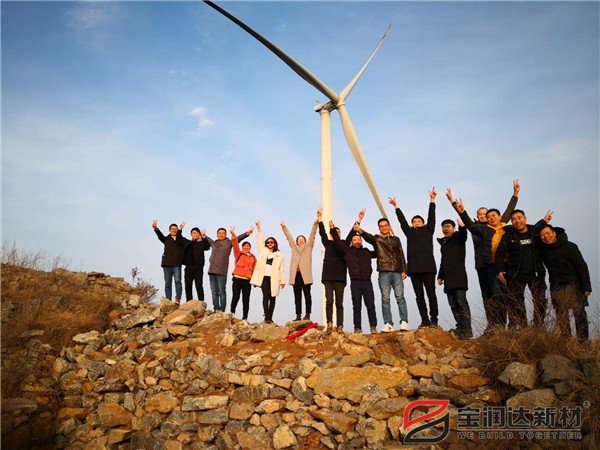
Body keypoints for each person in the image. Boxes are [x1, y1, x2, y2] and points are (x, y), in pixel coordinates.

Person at [451, 181, 519, 332]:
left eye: (485, 214)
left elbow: (509, 210)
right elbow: (467, 220)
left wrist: (515, 195)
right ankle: (492, 324)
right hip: (482, 265)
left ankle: (507, 324)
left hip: (499, 264)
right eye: (480, 214)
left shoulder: (499, 225)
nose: (483, 216)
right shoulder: (477, 229)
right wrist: (453, 203)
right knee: (487, 295)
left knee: (503, 294)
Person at [389, 188, 438, 329]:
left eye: (419, 221)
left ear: (423, 223)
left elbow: (432, 217)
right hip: (414, 270)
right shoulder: (409, 233)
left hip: (428, 268)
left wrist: (432, 200)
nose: (416, 223)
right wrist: (396, 207)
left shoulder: (428, 230)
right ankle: (425, 320)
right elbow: (402, 222)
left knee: (431, 295)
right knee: (419, 296)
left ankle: (434, 320)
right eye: (414, 222)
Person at [495, 210, 550, 329]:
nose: (517, 221)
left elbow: (542, 230)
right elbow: (499, 254)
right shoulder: (507, 236)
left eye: (519, 218)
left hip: (536, 274)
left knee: (540, 301)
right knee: (516, 303)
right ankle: (523, 328)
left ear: (525, 218)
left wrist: (545, 220)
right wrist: (499, 270)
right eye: (514, 219)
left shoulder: (534, 232)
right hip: (516, 275)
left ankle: (538, 327)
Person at [536, 224, 591, 340]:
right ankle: (566, 341)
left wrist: (587, 287)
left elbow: (581, 266)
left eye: (548, 233)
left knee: (579, 314)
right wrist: (543, 221)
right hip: (556, 286)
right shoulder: (543, 250)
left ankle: (583, 343)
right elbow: (532, 233)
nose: (546, 236)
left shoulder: (569, 247)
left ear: (554, 233)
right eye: (542, 235)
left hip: (574, 285)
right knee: (561, 315)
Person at [357, 211, 409, 332]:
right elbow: (368, 236)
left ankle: (404, 321)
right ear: (379, 228)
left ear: (389, 226)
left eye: (386, 225)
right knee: (385, 299)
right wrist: (360, 230)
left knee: (400, 297)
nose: (384, 228)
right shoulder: (377, 239)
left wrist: (404, 270)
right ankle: (388, 323)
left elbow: (401, 254)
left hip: (397, 271)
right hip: (384, 271)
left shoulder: (396, 239)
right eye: (381, 226)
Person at [331, 220, 378, 334]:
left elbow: (378, 250)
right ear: (351, 242)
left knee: (371, 305)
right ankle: (357, 328)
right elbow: (338, 242)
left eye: (359, 240)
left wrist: (364, 234)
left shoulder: (367, 252)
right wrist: (332, 230)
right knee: (356, 306)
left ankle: (373, 326)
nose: (357, 242)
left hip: (367, 282)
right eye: (355, 240)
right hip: (355, 282)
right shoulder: (348, 251)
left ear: (361, 241)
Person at [437, 218, 472, 339]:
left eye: (448, 226)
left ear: (453, 228)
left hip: (459, 277)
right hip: (448, 279)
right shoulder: (444, 244)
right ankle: (460, 327)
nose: (445, 229)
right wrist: (440, 276)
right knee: (453, 305)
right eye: (443, 227)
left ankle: (467, 329)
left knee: (462, 303)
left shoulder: (458, 238)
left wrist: (462, 227)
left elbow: (463, 235)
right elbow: (443, 261)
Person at [206, 226, 253, 312]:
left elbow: (237, 239)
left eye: (223, 233)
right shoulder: (214, 243)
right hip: (212, 271)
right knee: (214, 292)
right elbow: (208, 239)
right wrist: (203, 235)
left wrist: (247, 233)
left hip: (222, 271)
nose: (221, 235)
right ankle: (216, 309)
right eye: (219, 233)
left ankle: (222, 310)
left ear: (226, 234)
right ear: (217, 234)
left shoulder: (228, 243)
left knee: (221, 292)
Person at [317, 207, 349, 333]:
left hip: (340, 277)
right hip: (328, 277)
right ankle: (329, 323)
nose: (335, 234)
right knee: (329, 301)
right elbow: (322, 234)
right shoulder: (328, 244)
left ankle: (340, 326)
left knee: (339, 303)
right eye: (334, 232)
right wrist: (320, 220)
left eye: (337, 232)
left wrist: (359, 220)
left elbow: (352, 233)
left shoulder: (344, 245)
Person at [281, 218, 318, 321]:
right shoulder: (294, 248)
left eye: (302, 239)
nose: (300, 240)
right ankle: (298, 315)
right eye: (299, 239)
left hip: (305, 275)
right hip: (296, 275)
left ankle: (308, 314)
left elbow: (312, 235)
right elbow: (289, 237)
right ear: (297, 242)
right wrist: (284, 227)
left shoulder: (309, 247)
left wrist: (316, 223)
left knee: (307, 295)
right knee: (297, 296)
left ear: (305, 241)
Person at [250, 221, 286, 324]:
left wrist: (282, 281)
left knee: (273, 297)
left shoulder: (279, 255)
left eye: (271, 242)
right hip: (264, 277)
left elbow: (281, 269)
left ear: (275, 244)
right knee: (266, 296)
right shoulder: (263, 251)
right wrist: (258, 228)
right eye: (268, 242)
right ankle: (267, 316)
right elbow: (259, 240)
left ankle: (270, 316)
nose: (269, 243)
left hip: (274, 277)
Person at [177, 225, 210, 304]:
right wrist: (180, 229)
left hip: (198, 267)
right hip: (188, 267)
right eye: (194, 233)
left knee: (199, 285)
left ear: (199, 234)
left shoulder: (201, 242)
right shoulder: (187, 242)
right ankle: (189, 303)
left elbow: (207, 247)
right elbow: (179, 239)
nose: (195, 234)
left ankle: (201, 303)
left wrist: (204, 237)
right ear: (191, 234)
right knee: (188, 286)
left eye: (197, 233)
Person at [152, 220, 183, 303]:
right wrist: (156, 229)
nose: (174, 230)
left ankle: (178, 298)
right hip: (167, 264)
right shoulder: (166, 239)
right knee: (167, 284)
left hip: (177, 264)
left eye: (176, 229)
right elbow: (160, 235)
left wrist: (180, 230)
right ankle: (168, 300)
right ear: (169, 230)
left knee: (178, 281)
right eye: (172, 229)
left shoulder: (180, 240)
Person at [230, 227, 257, 322]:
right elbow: (235, 244)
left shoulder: (253, 257)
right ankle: (232, 313)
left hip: (247, 280)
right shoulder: (239, 254)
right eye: (245, 246)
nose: (246, 247)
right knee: (235, 297)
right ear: (242, 247)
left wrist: (255, 281)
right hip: (237, 278)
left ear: (250, 247)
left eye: (248, 246)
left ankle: (245, 317)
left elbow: (255, 269)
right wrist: (233, 235)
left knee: (246, 299)